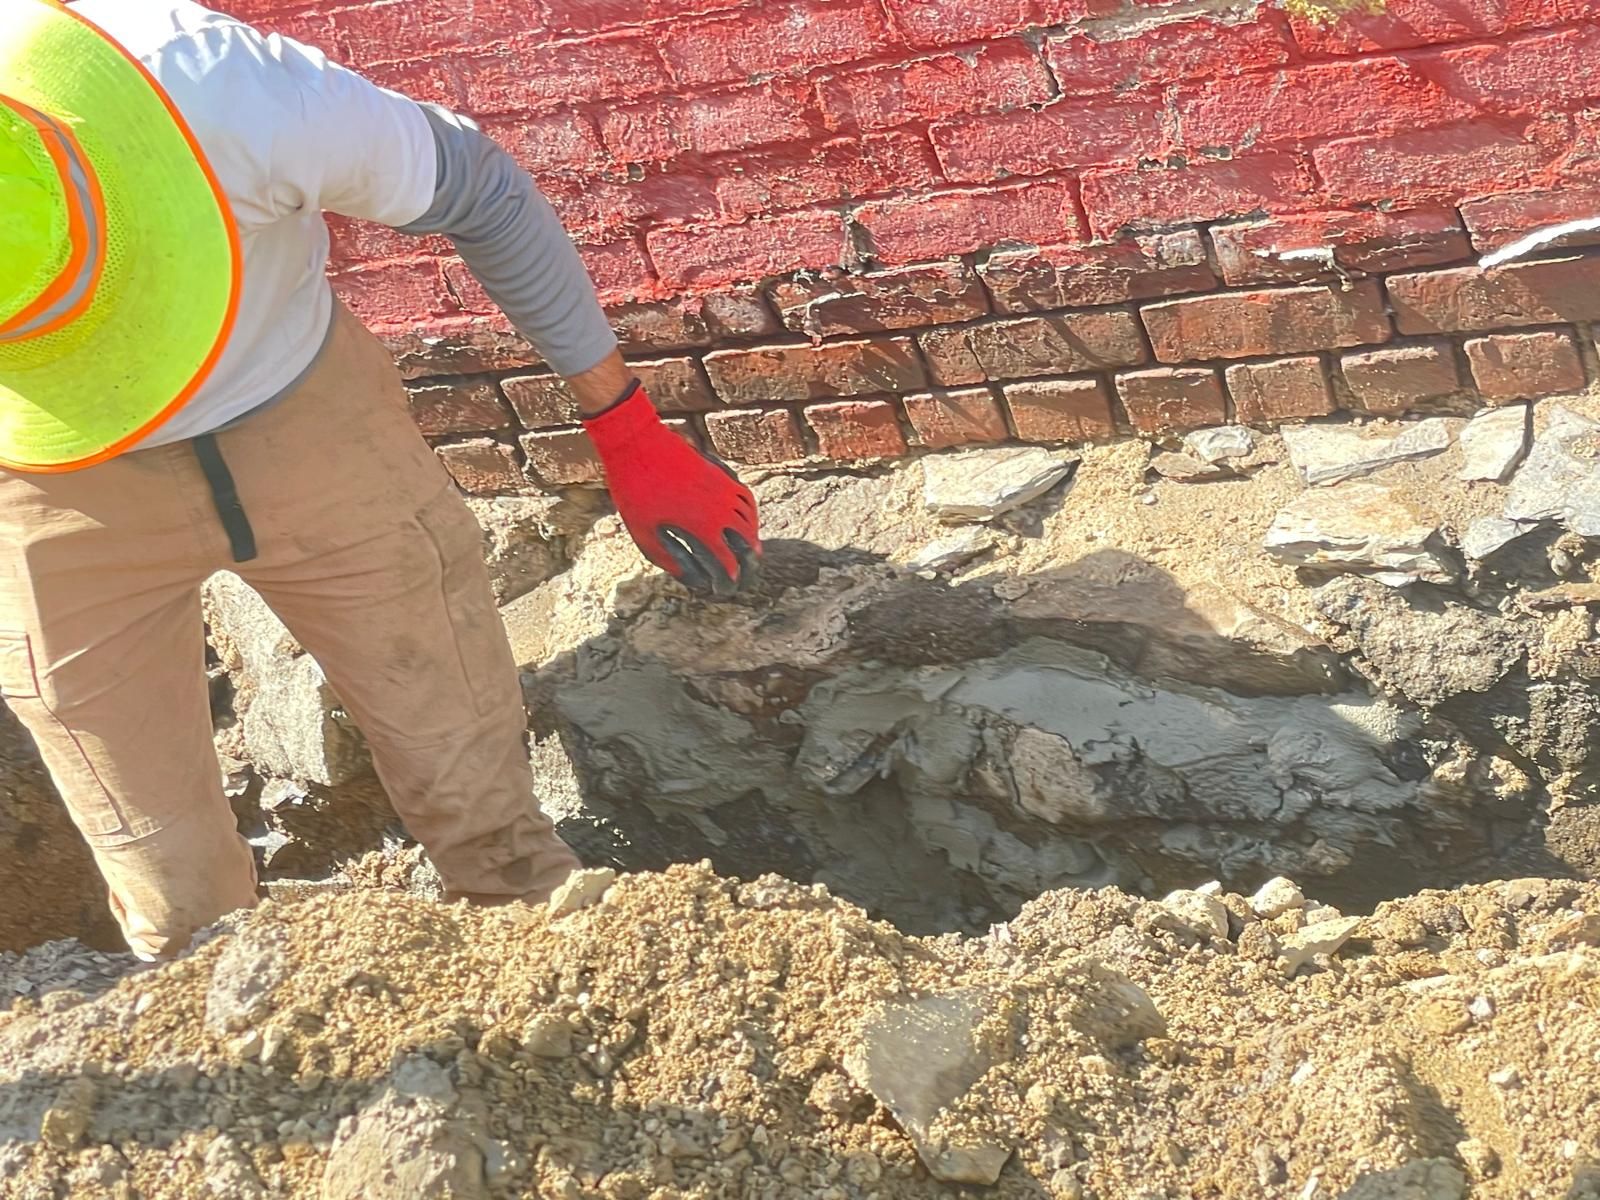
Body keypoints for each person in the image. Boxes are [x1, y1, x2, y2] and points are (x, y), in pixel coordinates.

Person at [0, 0, 761, 960]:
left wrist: (625, 426)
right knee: (174, 913)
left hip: (304, 419)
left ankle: (558, 1013)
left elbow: (480, 186)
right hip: (44, 478)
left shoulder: (212, 85)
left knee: (494, 836)